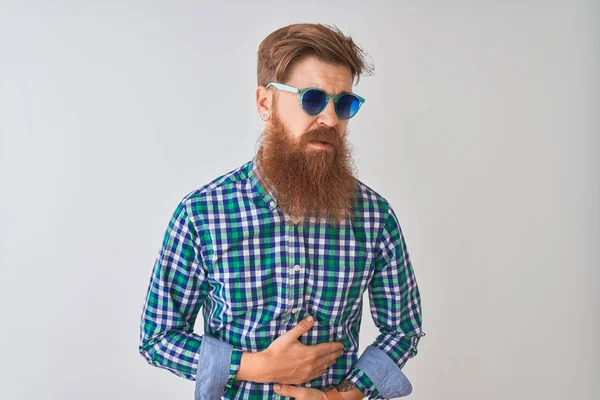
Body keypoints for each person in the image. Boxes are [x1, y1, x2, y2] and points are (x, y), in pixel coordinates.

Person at [138, 23, 426, 400]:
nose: (330, 120)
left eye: (343, 104)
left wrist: (340, 396)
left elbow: (402, 331)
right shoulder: (202, 214)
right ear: (265, 103)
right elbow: (158, 337)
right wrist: (254, 365)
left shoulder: (374, 218)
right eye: (311, 99)